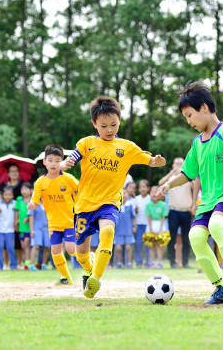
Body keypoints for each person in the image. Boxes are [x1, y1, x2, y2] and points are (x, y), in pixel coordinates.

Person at [157, 82, 223, 304]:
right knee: (195, 236)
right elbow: (187, 173)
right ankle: (222, 287)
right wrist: (169, 185)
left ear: (204, 108)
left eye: (190, 115)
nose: (189, 122)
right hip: (209, 201)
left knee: (217, 225)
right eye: (186, 118)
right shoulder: (197, 144)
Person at [61, 96, 166, 298]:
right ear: (94, 124)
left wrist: (156, 161)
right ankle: (89, 268)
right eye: (104, 126)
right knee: (79, 251)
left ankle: (95, 280)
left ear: (119, 120)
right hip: (84, 204)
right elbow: (74, 155)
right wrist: (67, 162)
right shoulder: (87, 143)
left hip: (109, 202)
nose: (109, 130)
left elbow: (149, 160)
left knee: (107, 232)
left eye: (114, 125)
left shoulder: (126, 148)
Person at [29, 144, 78, 283]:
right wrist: (32, 205)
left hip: (69, 221)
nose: (53, 164)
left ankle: (89, 258)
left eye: (57, 161)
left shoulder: (68, 179)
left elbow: (80, 189)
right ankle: (66, 277)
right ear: (44, 162)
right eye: (50, 160)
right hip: (53, 224)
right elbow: (35, 201)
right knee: (55, 251)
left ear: (62, 162)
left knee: (71, 249)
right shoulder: (40, 182)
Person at [0, 185, 18, 270]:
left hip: (10, 230)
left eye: (10, 194)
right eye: (6, 194)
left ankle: (14, 265)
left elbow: (16, 215)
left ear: (12, 195)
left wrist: (16, 223)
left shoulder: (15, 203)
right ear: (3, 195)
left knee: (10, 247)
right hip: (0, 229)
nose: (8, 196)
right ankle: (0, 266)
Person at [146, 185, 169, 269]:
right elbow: (148, 217)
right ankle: (152, 262)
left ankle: (159, 262)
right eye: (152, 192)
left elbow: (163, 217)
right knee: (152, 245)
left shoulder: (162, 205)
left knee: (160, 245)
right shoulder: (148, 205)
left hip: (160, 224)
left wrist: (160, 228)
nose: (154, 194)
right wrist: (150, 228)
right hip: (151, 224)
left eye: (156, 192)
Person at [114, 181, 136, 268]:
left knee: (128, 247)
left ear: (127, 195)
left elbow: (133, 217)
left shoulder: (130, 206)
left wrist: (134, 226)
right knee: (118, 248)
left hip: (128, 230)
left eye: (125, 193)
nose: (123, 195)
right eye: (121, 193)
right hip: (118, 230)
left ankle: (129, 263)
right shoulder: (115, 206)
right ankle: (119, 263)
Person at [133, 179, 151, 267]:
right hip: (139, 224)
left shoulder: (150, 199)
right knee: (138, 243)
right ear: (138, 189)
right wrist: (135, 210)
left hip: (147, 224)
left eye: (144, 187)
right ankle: (138, 262)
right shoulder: (136, 199)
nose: (142, 189)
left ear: (148, 188)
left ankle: (148, 262)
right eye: (140, 187)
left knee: (148, 244)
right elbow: (133, 213)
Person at [28, 199, 50, 271]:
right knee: (36, 246)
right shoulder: (34, 204)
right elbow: (31, 217)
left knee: (47, 246)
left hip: (47, 229)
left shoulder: (48, 203)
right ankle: (31, 265)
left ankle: (44, 264)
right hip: (37, 228)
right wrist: (31, 230)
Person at [15, 182, 32, 269]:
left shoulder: (33, 201)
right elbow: (16, 211)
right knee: (22, 246)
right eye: (22, 189)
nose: (24, 191)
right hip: (21, 227)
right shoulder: (19, 199)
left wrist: (28, 219)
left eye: (26, 189)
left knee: (26, 244)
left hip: (29, 228)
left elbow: (35, 214)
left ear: (31, 190)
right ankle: (25, 261)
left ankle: (27, 263)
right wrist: (16, 221)